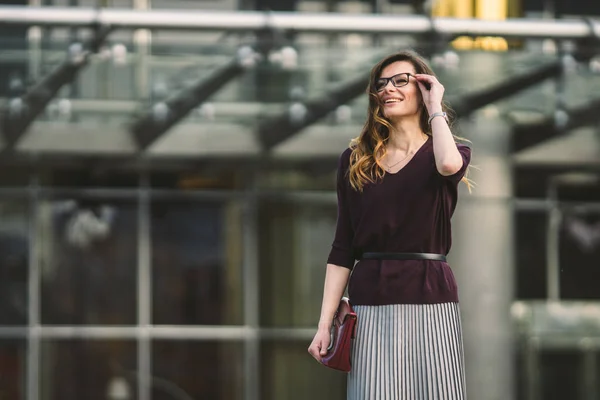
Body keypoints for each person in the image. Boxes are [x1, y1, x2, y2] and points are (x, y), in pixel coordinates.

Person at [307, 50, 471, 399]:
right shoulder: (355, 161)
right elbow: (342, 248)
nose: (388, 89)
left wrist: (435, 107)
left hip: (432, 294)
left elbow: (446, 165)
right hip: (371, 297)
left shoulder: (448, 150)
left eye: (401, 81)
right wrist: (324, 325)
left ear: (423, 87)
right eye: (381, 84)